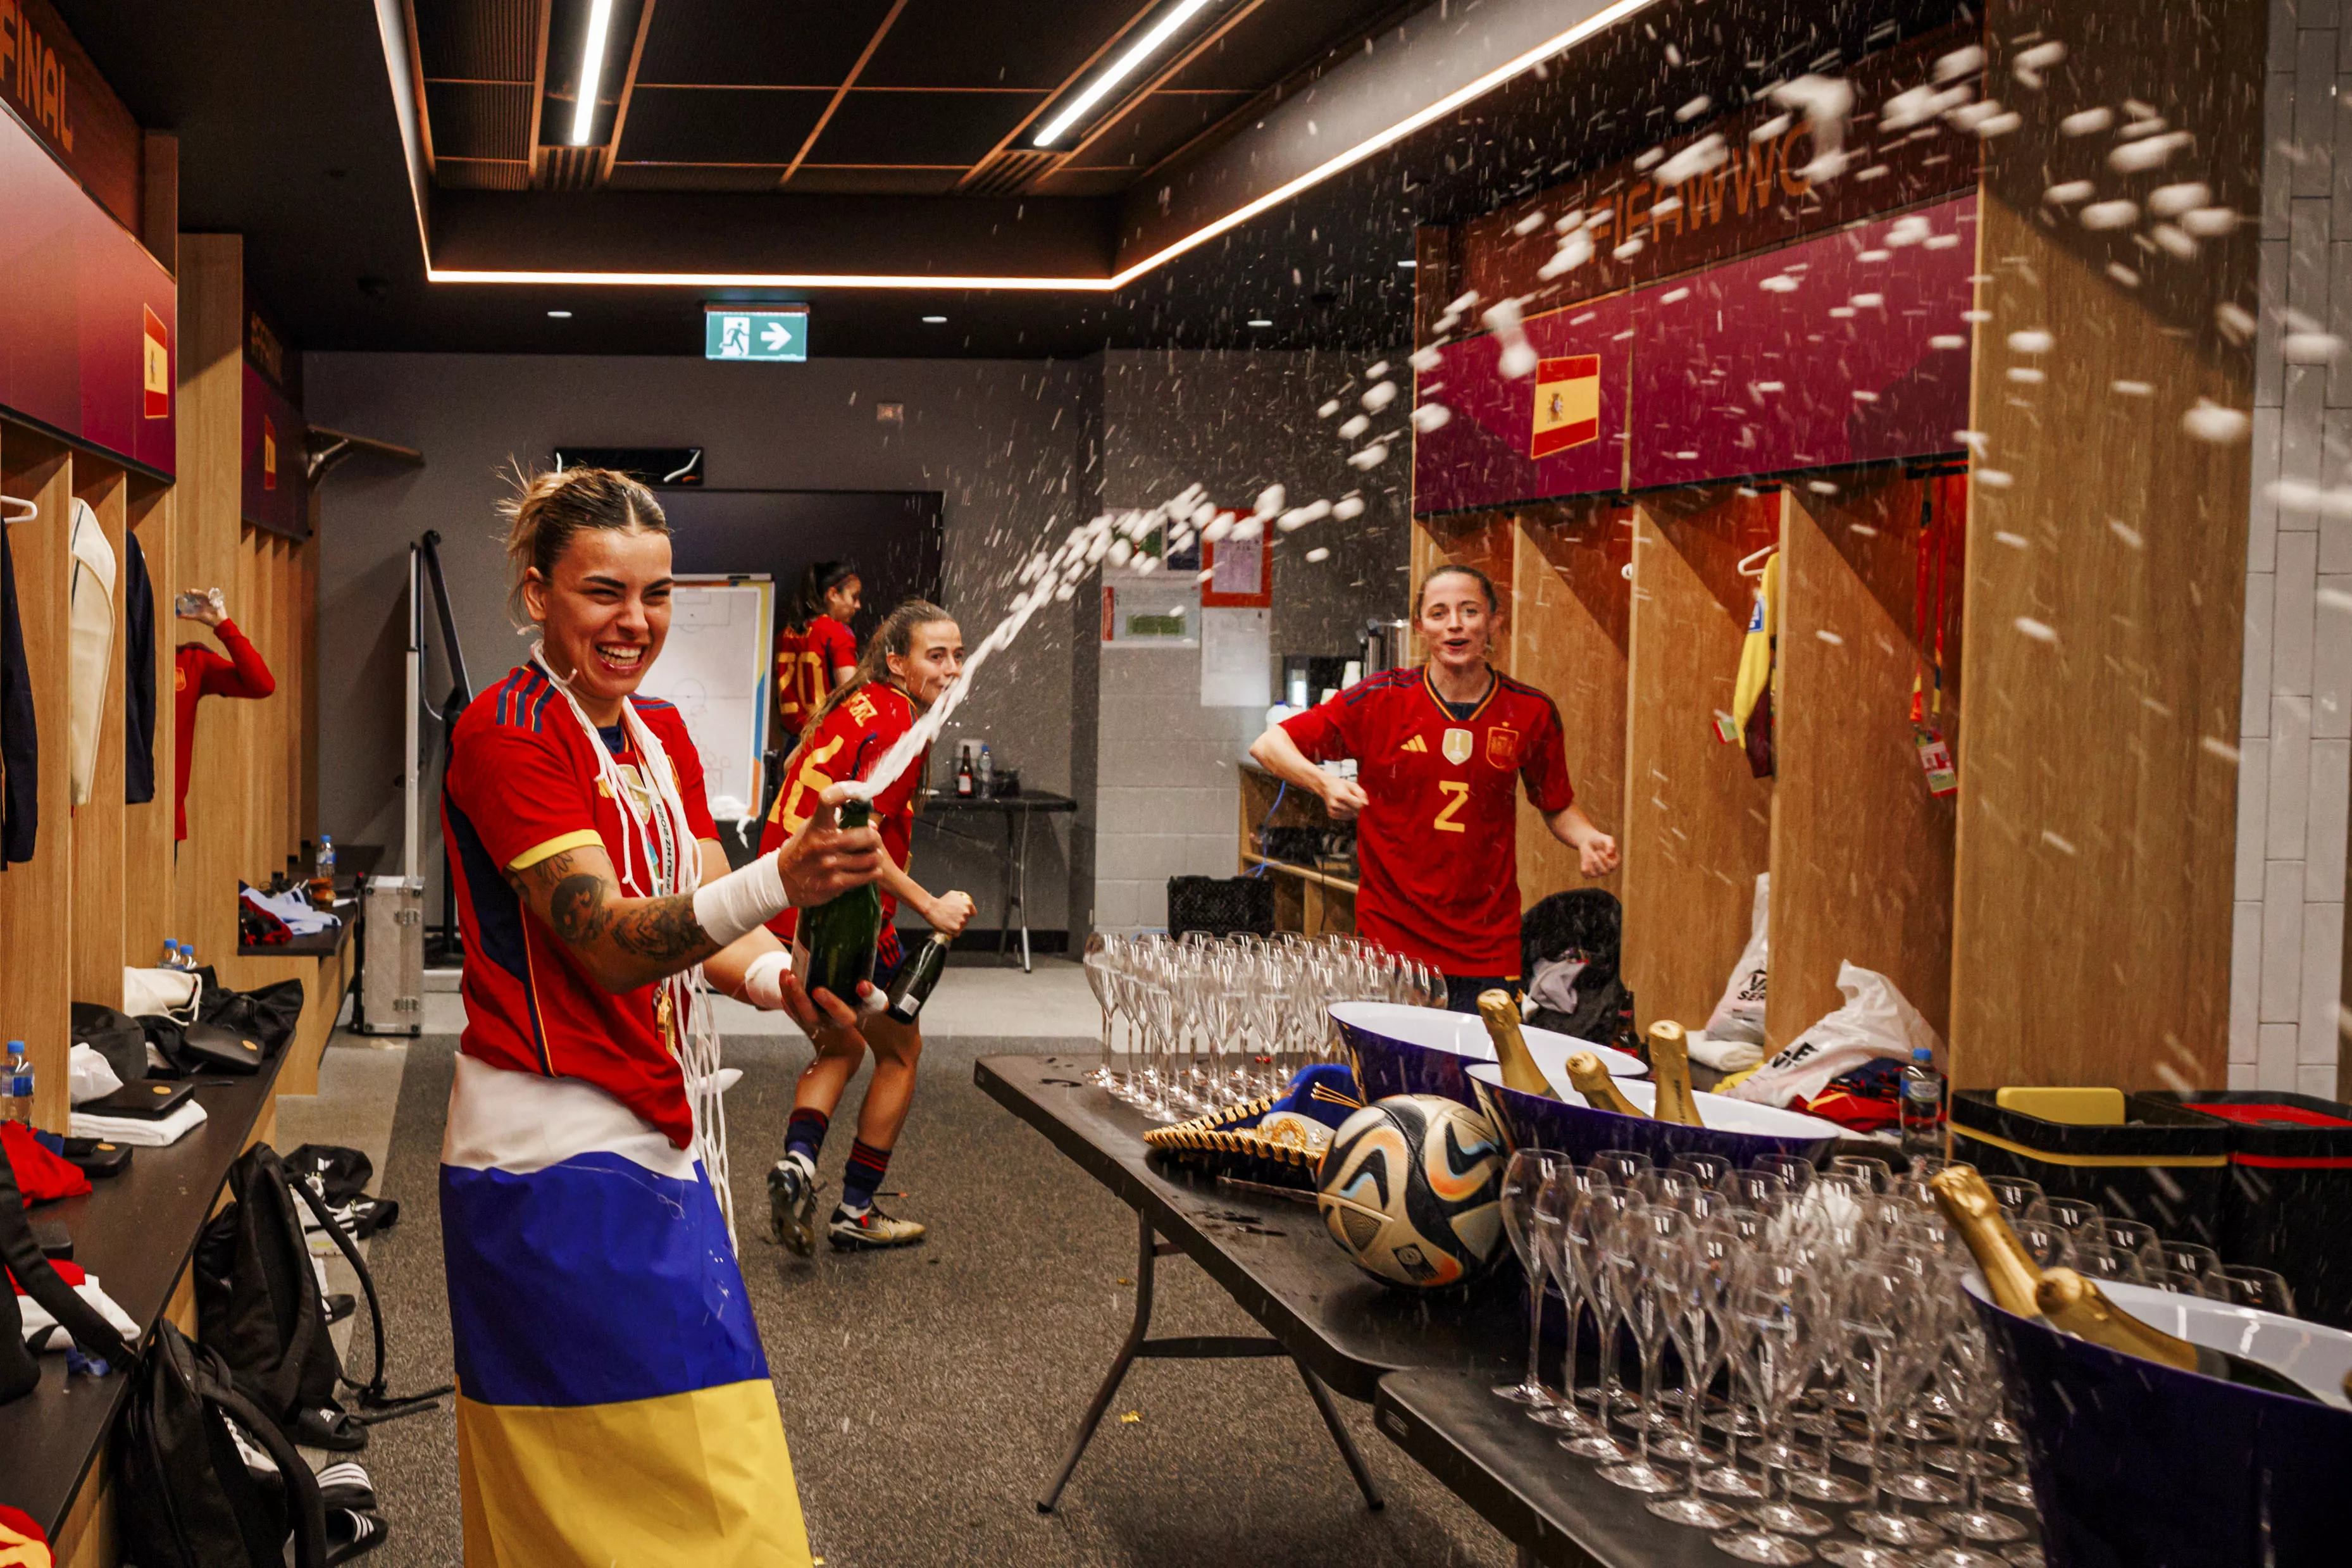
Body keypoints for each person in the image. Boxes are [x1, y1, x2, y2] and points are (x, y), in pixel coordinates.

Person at [439, 466, 883, 1567]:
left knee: (636, 1486)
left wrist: (786, 984)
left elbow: (704, 918)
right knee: (678, 1498)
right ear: (538, 594)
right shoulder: (505, 732)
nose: (634, 621)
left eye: (656, 592)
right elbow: (600, 934)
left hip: (656, 1129)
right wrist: (781, 878)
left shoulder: (662, 736)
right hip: (548, 1157)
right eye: (603, 592)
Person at [1248, 563, 1619, 1013]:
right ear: (1421, 627)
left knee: (1472, 1076)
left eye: (1469, 611)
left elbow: (1555, 804)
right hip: (1390, 940)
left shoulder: (1530, 711)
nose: (1455, 624)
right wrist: (1323, 782)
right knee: (1395, 1075)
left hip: (1486, 943)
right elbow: (1270, 744)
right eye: (1440, 613)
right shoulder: (1381, 698)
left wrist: (1587, 838)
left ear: (1494, 623)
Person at [760, 600, 976, 1254]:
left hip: (789, 911)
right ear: (896, 660)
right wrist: (930, 907)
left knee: (840, 1046)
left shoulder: (861, 705)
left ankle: (798, 1165)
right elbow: (863, 843)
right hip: (839, 913)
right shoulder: (898, 723)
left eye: (958, 654)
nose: (952, 667)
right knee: (900, 1053)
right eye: (935, 655)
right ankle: (855, 1209)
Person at [173, 590, 275, 841]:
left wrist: (222, 625)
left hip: (167, 820)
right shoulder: (115, 654)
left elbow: (262, 685)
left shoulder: (189, 660)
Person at [774, 559, 861, 745]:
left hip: (792, 744)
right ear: (833, 595)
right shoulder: (837, 633)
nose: (858, 606)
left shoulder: (784, 637)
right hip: (826, 742)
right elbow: (850, 694)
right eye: (854, 597)